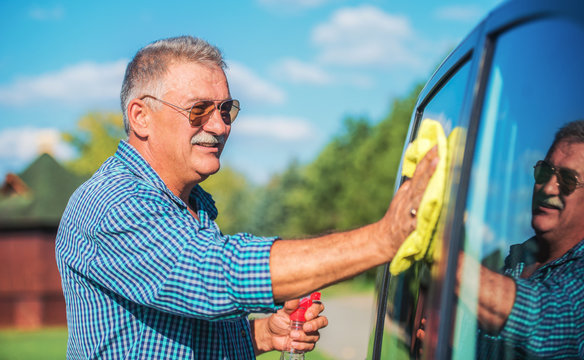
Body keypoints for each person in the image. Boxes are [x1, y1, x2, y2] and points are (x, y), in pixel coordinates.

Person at [55, 35, 437, 359]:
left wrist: (260, 336)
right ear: (140, 117)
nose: (220, 126)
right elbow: (214, 276)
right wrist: (383, 239)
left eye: (225, 109)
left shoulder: (192, 205)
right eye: (199, 110)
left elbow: (173, 326)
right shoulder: (113, 202)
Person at [464, 120, 584, 359]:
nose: (548, 188)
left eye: (568, 180)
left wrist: (447, 259)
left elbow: (543, 318)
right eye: (544, 172)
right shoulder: (514, 262)